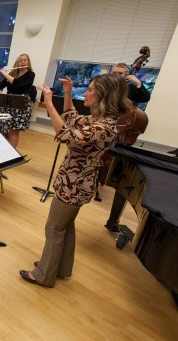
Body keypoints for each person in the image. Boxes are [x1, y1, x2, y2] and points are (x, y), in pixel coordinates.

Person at [19, 73, 131, 288]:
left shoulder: (102, 127)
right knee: (65, 227)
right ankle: (59, 267)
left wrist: (49, 104)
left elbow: (64, 134)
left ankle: (43, 274)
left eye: (90, 90)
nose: (86, 94)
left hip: (74, 184)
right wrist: (68, 93)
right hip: (77, 182)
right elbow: (71, 118)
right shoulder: (100, 120)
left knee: (54, 229)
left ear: (104, 95)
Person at [0, 53, 35, 148]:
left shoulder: (30, 74)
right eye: (20, 60)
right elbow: (0, 86)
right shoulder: (13, 73)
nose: (22, 62)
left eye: (24, 60)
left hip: (20, 104)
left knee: (14, 131)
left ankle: (11, 154)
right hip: (8, 102)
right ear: (17, 63)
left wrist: (5, 74)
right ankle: (4, 150)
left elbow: (17, 83)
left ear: (28, 62)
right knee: (4, 129)